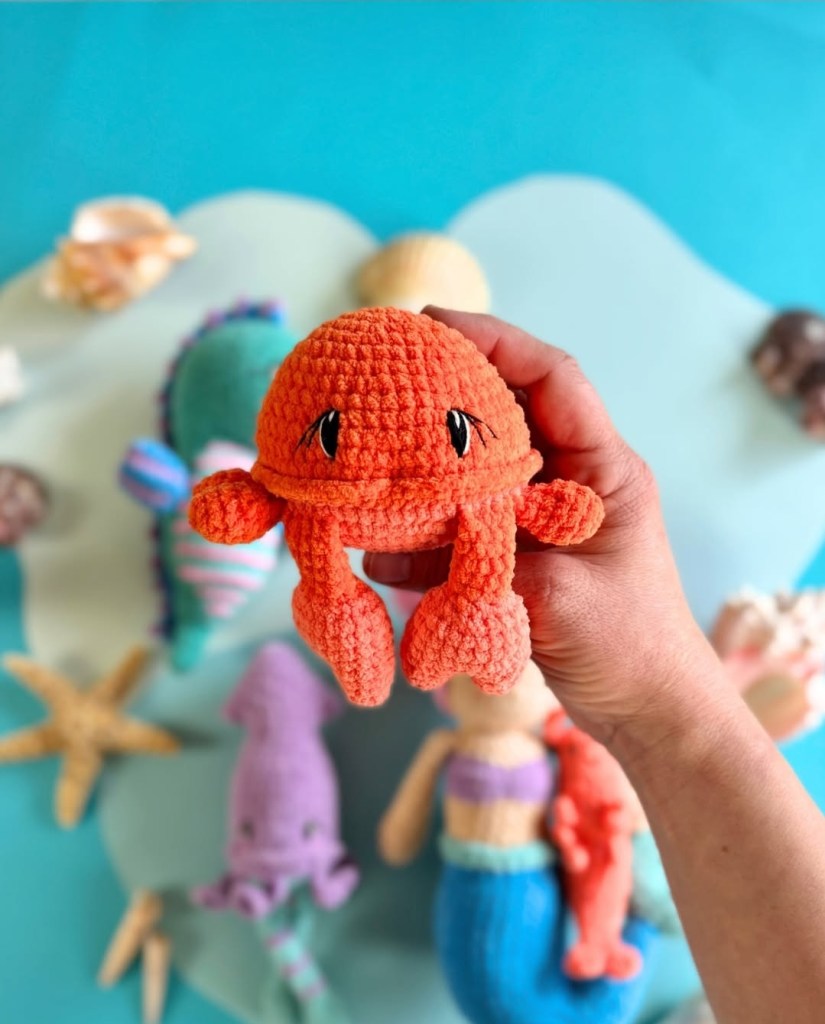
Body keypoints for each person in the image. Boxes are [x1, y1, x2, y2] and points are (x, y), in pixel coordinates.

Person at [364, 307, 825, 1024]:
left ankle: (608, 950)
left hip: (523, 884)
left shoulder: (562, 743)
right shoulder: (483, 734)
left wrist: (660, 712)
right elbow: (401, 829)